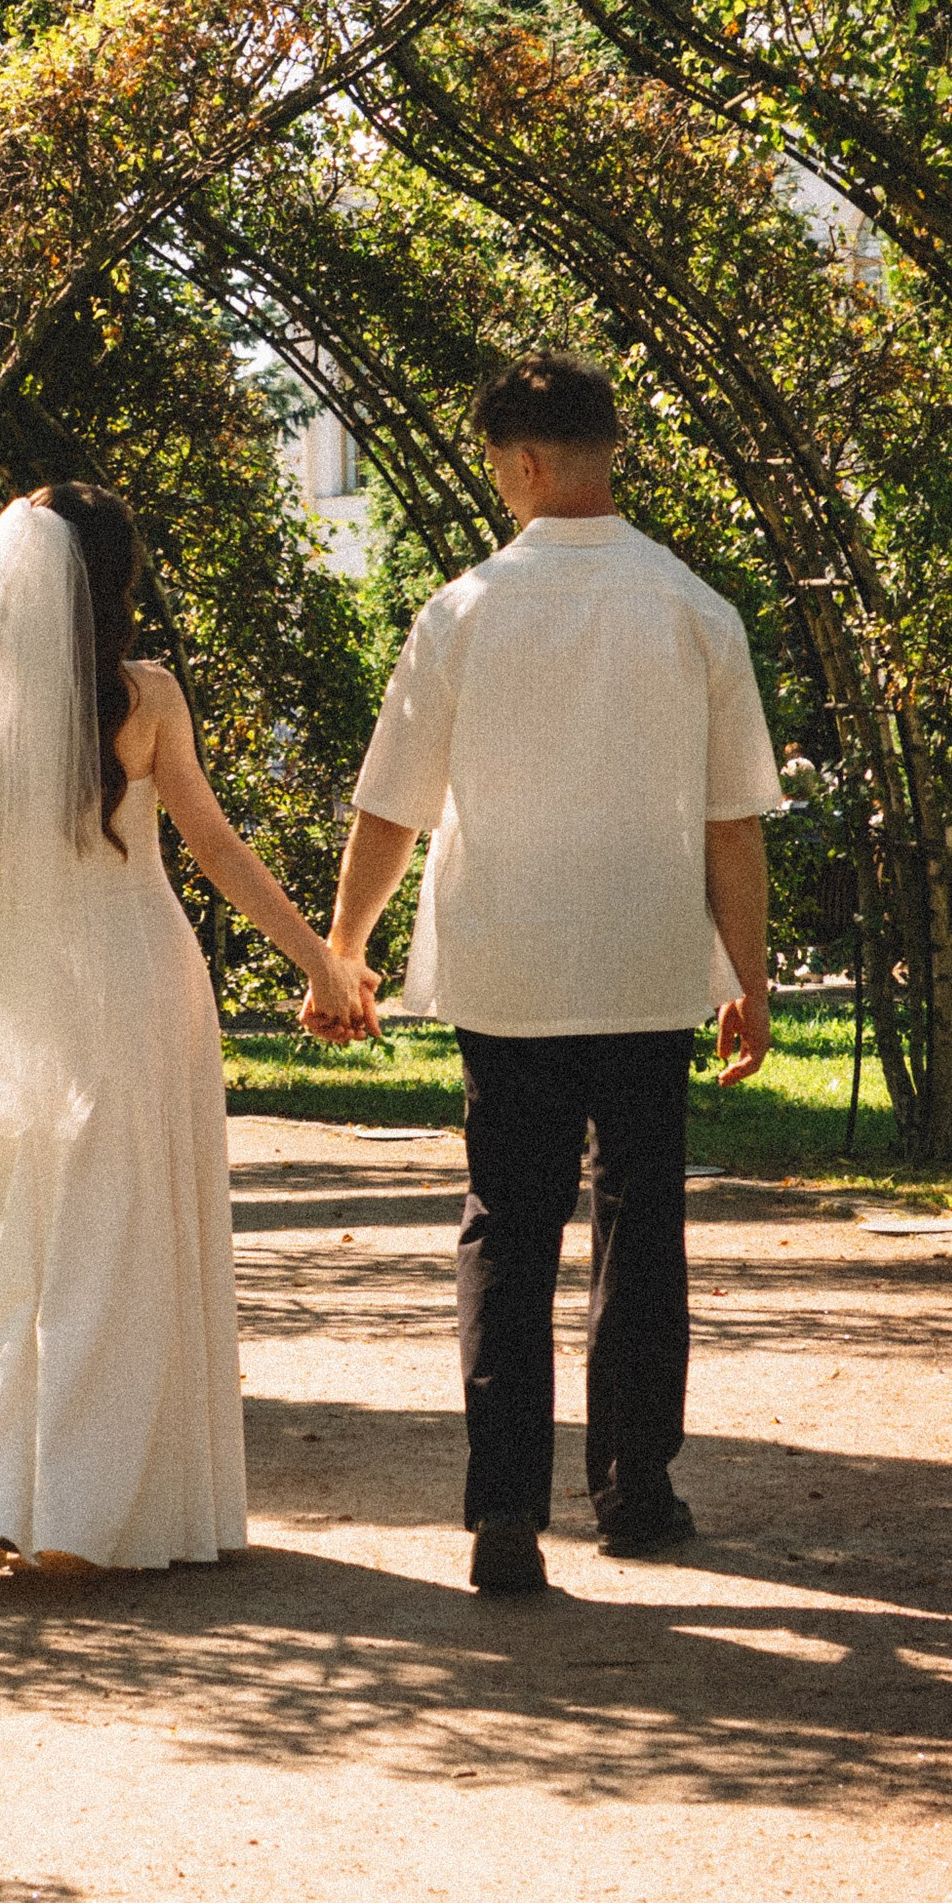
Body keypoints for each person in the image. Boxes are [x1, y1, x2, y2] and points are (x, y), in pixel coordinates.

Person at [309, 352, 782, 1597]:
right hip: (645, 964)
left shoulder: (461, 612)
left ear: (519, 464)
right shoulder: (694, 608)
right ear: (605, 449)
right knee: (643, 1221)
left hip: (506, 964)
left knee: (507, 1228)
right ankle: (634, 1488)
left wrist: (343, 948)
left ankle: (505, 1508)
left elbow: (390, 809)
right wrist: (751, 974)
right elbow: (733, 820)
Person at [0, 482, 362, 1576]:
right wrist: (319, 956)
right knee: (124, 1227)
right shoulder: (148, 697)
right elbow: (216, 849)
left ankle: (3, 1496)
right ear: (116, 579)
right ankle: (103, 1510)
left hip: (31, 982)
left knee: (19, 1232)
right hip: (138, 971)